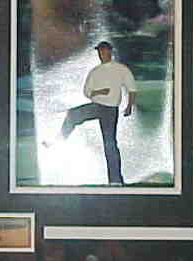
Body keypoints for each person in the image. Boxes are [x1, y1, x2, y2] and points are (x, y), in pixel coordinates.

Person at [46, 41, 136, 185]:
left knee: (110, 144)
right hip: (96, 106)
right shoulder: (94, 72)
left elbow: (131, 88)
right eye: (100, 51)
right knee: (73, 114)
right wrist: (99, 92)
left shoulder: (120, 69)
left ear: (110, 51)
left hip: (110, 109)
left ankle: (116, 180)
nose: (102, 54)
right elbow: (87, 92)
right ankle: (58, 140)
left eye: (104, 51)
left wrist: (129, 106)